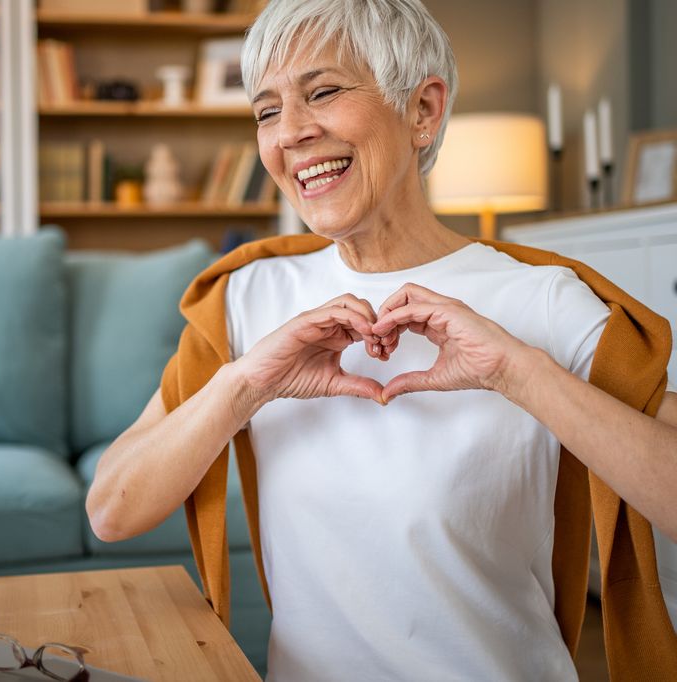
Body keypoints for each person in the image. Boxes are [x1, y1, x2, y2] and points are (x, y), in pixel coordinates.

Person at [86, 0, 677, 679]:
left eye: (324, 92)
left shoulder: (542, 301)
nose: (291, 133)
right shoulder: (246, 301)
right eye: (267, 111)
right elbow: (111, 510)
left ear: (423, 110)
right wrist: (247, 383)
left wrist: (521, 373)